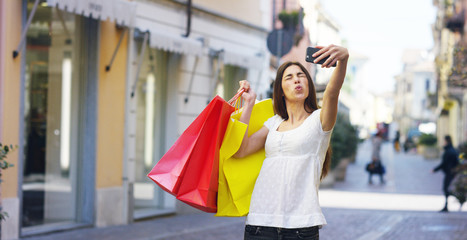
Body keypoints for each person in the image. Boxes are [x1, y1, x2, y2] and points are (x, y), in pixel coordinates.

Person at [234, 44, 348, 240]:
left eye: (301, 76)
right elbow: (240, 150)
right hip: (259, 223)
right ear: (280, 91)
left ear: (308, 85)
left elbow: (332, 92)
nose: (297, 79)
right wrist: (249, 105)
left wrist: (343, 59)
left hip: (301, 227)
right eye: (289, 77)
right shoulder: (273, 123)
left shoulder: (320, 120)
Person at [432, 135, 459, 212]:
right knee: (447, 189)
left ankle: (448, 205)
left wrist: (435, 169)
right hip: (452, 172)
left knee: (446, 189)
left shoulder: (449, 151)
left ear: (446, 141)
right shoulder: (453, 150)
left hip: (449, 172)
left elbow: (444, 163)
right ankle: (447, 205)